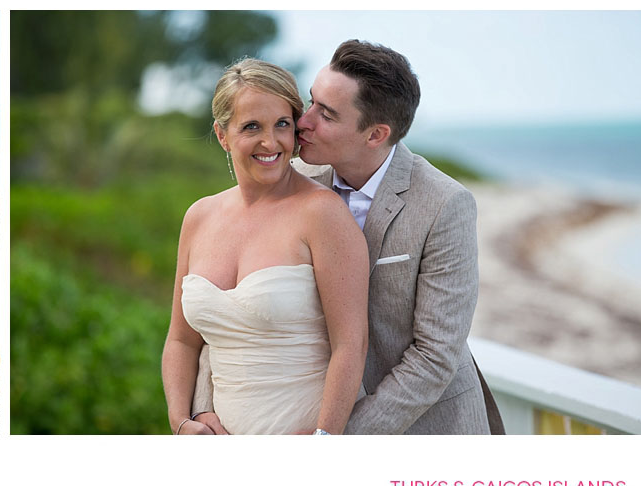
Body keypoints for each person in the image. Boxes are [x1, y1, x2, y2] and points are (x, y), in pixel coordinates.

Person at [192, 40, 505, 435]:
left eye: (326, 114)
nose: (303, 122)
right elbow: (231, 308)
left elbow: (434, 356)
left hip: (424, 430)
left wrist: (333, 437)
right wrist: (201, 410)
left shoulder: (445, 205)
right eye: (311, 102)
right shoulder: (292, 181)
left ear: (375, 135)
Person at [161, 58, 370, 435]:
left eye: (282, 125)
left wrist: (323, 440)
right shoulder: (199, 217)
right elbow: (180, 340)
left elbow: (351, 346)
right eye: (251, 126)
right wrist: (181, 422)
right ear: (222, 134)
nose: (270, 142)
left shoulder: (323, 214)